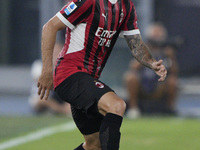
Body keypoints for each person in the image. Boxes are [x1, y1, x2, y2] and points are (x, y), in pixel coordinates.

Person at [37, 0, 167, 149]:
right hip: (69, 74)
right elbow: (49, 27)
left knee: (94, 145)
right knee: (116, 105)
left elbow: (135, 43)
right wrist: (46, 70)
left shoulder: (127, 7)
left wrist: (152, 63)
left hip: (88, 79)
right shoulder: (87, 2)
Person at [124, 22, 178, 119]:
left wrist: (170, 56)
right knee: (130, 77)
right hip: (142, 84)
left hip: (160, 85)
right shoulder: (144, 50)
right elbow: (133, 67)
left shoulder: (166, 52)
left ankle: (170, 109)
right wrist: (146, 55)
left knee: (173, 81)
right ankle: (133, 109)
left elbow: (174, 71)